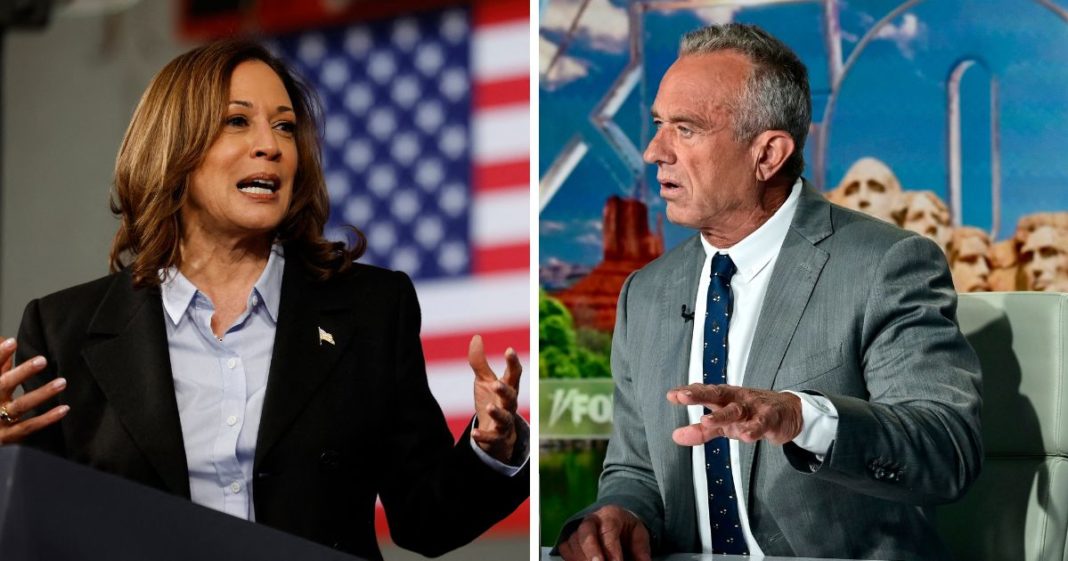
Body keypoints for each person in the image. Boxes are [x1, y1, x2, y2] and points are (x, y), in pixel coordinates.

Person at [0, 40, 528, 561]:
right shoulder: (63, 329)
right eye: (237, 121)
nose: (270, 146)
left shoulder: (372, 308)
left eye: (283, 126)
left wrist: (491, 448)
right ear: (174, 145)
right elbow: (35, 534)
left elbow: (425, 520)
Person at [556, 23, 981, 561]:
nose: (653, 151)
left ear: (768, 154)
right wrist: (617, 516)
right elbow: (634, 469)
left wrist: (802, 418)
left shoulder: (885, 265)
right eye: (659, 124)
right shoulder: (645, 293)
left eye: (685, 130)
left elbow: (946, 452)